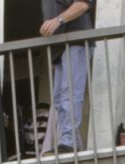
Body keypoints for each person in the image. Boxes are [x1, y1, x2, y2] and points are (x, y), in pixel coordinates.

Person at [39, 0, 94, 154]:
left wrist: (58, 20)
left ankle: (68, 142)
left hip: (76, 41)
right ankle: (70, 143)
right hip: (60, 47)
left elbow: (84, 4)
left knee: (69, 94)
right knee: (59, 100)